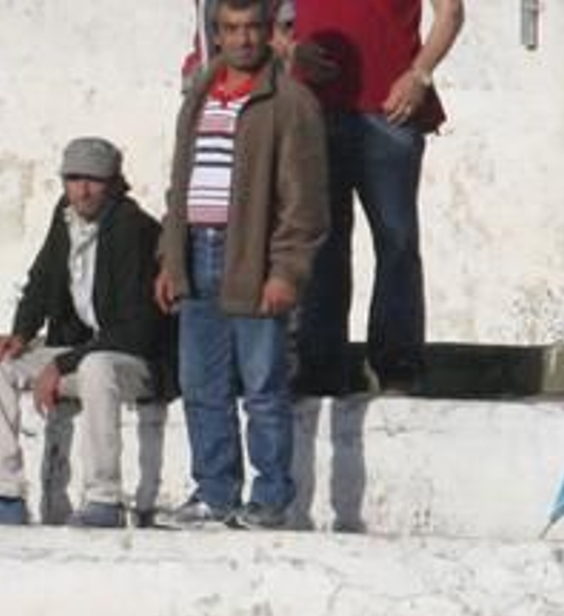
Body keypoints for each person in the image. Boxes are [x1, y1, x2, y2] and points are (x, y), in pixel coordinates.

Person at [0, 137, 172, 530]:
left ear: (114, 183)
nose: (82, 189)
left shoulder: (133, 229)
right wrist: (22, 333)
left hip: (135, 362)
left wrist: (61, 364)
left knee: (97, 367)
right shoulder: (66, 217)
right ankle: (3, 494)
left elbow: (136, 330)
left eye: (94, 180)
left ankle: (104, 499)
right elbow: (43, 277)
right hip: (83, 353)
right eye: (74, 178)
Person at [155, 0, 328, 531]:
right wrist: (169, 258)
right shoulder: (199, 97)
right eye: (232, 29)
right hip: (195, 255)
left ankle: (271, 498)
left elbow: (306, 201)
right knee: (202, 386)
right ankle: (214, 492)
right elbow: (179, 184)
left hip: (251, 256)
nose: (244, 39)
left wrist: (287, 271)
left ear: (269, 31)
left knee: (263, 387)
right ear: (218, 33)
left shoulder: (290, 102)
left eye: (253, 27)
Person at [289, 0, 465, 395]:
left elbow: (450, 11)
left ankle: (397, 363)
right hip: (313, 108)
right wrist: (290, 49)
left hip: (390, 110)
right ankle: (319, 365)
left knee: (396, 239)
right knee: (321, 244)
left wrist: (419, 76)